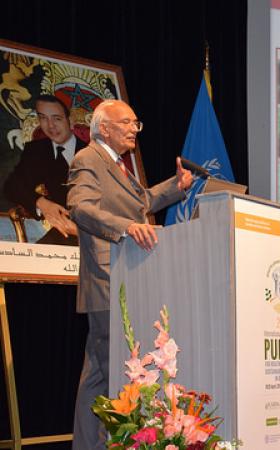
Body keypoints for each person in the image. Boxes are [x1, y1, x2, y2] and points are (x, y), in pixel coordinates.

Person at [67, 99, 193, 449]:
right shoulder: (87, 159)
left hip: (127, 278)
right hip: (108, 279)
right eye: (128, 123)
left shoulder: (119, 165)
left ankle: (89, 445)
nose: (134, 129)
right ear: (104, 127)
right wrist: (126, 228)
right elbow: (79, 207)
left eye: (136, 123)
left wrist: (175, 187)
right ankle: (118, 443)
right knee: (113, 377)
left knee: (97, 375)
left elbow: (141, 202)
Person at [3, 94, 87, 244]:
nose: (50, 126)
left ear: (71, 121)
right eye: (43, 118)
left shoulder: (93, 153)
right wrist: (41, 203)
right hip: (62, 232)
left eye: (57, 118)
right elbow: (12, 186)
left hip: (94, 233)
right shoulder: (37, 151)